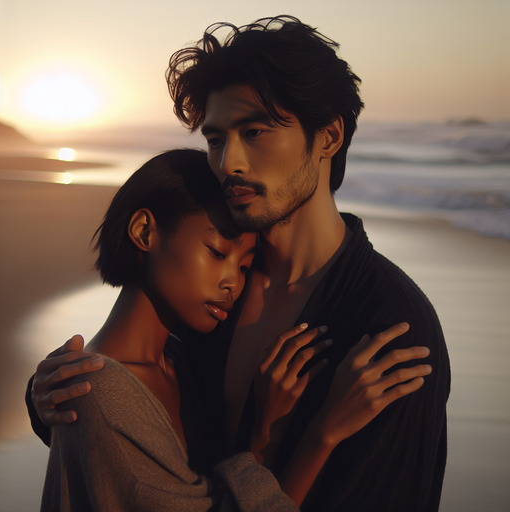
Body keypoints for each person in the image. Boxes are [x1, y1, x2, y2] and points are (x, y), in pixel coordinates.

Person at [28, 16, 450, 512]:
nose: (228, 162)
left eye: (254, 131)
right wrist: (52, 398)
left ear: (329, 137)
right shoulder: (211, 298)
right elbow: (140, 441)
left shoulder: (389, 323)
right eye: (214, 139)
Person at [39, 149, 431, 511]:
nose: (233, 283)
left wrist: (262, 430)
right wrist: (322, 434)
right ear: (144, 231)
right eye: (216, 253)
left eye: (244, 266)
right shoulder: (96, 391)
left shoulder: (179, 362)